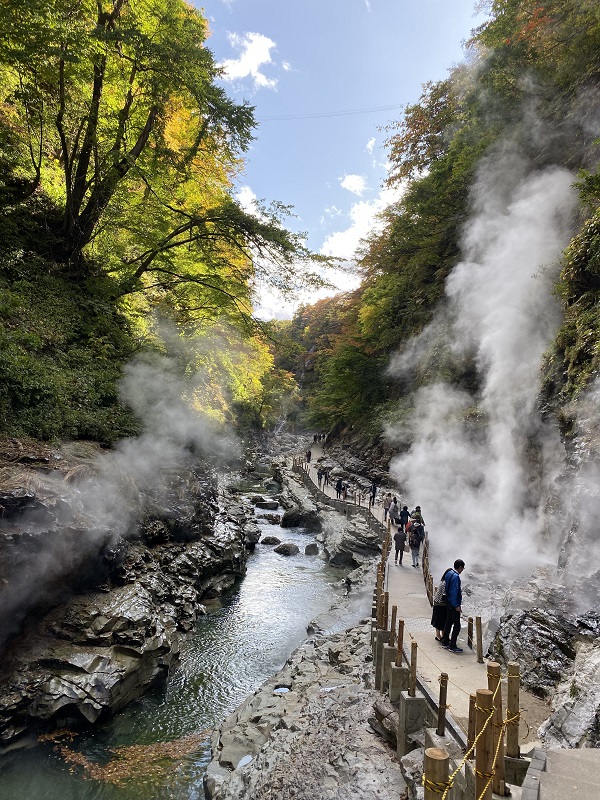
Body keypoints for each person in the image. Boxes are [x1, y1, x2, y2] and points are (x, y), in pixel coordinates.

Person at [440, 559, 466, 653]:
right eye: (462, 568)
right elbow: (455, 591)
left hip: (448, 602)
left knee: (448, 622)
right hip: (453, 603)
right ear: (459, 567)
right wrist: (457, 605)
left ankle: (445, 641)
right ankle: (452, 645)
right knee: (457, 625)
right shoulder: (456, 577)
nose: (462, 570)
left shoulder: (449, 573)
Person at [431, 568, 452, 641]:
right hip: (440, 604)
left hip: (440, 603)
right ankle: (438, 635)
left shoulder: (444, 581)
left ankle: (443, 635)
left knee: (441, 620)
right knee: (440, 620)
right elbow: (444, 596)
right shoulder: (445, 583)